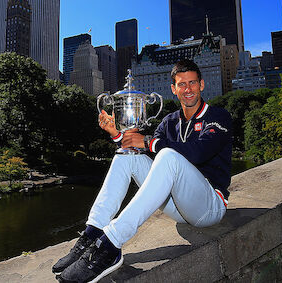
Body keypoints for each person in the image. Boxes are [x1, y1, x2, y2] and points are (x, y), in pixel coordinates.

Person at [53, 59, 232, 283]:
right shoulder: (169, 122)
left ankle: (111, 244)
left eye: (193, 83)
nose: (188, 89)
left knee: (166, 155)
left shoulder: (218, 116)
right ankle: (93, 233)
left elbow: (197, 153)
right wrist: (118, 135)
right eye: (181, 84)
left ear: (202, 85)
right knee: (126, 157)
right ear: (173, 89)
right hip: (179, 208)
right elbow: (143, 150)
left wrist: (147, 142)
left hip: (209, 207)